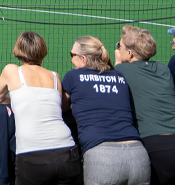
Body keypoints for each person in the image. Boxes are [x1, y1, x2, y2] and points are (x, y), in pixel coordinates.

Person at [0, 32, 80, 185]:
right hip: (67, 152)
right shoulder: (54, 76)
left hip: (32, 157)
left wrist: (16, 99)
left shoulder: (11, 70)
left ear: (19, 50)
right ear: (42, 51)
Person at [62, 35, 151, 185]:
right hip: (138, 155)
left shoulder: (74, 75)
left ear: (83, 59)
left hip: (102, 157)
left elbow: (63, 106)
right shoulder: (119, 75)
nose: (71, 59)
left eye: (72, 55)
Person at [113, 25, 175, 184]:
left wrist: (117, 64)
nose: (118, 49)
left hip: (153, 143)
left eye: (120, 46)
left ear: (129, 53)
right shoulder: (162, 68)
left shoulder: (121, 71)